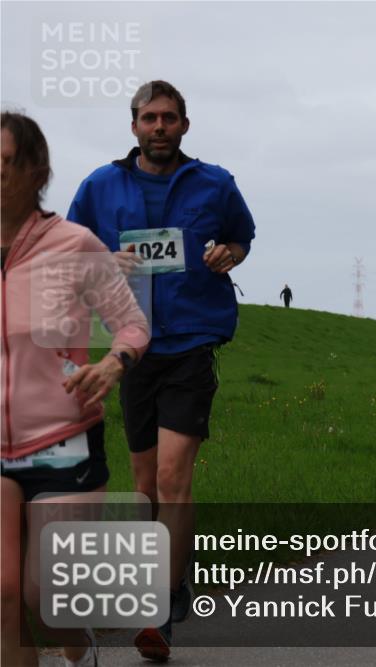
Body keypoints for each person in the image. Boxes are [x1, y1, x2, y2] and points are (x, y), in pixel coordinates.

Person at [68, 80, 256, 661]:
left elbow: (242, 238)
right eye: (149, 118)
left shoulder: (215, 183)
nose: (159, 127)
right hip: (132, 350)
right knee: (144, 486)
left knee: (175, 477)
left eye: (169, 118)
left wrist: (230, 253)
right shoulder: (100, 186)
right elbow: (70, 253)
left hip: (193, 342)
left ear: (184, 125)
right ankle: (173, 573)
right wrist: (104, 262)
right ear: (133, 127)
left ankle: (162, 605)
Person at [1, 112, 149, 667]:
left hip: (63, 437)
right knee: (5, 594)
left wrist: (116, 361)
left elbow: (132, 323)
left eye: (5, 162)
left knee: (46, 596)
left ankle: (77, 647)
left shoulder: (74, 245)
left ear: (36, 170)